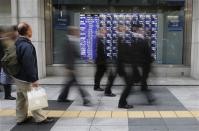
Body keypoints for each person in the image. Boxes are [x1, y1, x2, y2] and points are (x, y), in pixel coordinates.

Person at [13, 22, 53, 125]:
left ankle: (20, 118)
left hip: (17, 77)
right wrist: (33, 79)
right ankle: (41, 118)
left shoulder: (17, 43)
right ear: (27, 31)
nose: (32, 31)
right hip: (25, 78)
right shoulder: (26, 46)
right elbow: (28, 64)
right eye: (30, 29)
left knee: (21, 99)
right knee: (34, 98)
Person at [57, 26, 92, 106]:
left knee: (69, 83)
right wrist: (69, 68)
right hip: (70, 68)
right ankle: (85, 99)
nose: (78, 33)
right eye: (77, 31)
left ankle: (62, 97)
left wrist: (87, 59)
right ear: (72, 32)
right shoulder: (67, 42)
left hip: (71, 67)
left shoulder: (71, 41)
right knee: (78, 84)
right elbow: (65, 56)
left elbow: (76, 54)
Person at [0, 25, 17, 100]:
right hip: (4, 62)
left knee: (6, 77)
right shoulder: (4, 40)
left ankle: (7, 94)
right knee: (7, 78)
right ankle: (7, 95)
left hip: (3, 62)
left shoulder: (5, 40)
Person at [93, 27, 107, 91]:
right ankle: (96, 86)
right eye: (104, 30)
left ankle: (96, 86)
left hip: (101, 59)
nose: (105, 31)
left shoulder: (101, 38)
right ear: (101, 31)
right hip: (100, 60)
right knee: (99, 73)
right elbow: (98, 50)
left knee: (100, 72)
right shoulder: (98, 38)